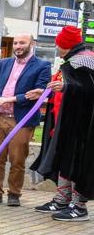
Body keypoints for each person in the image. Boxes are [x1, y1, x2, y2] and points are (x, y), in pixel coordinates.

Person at [34, 25, 94, 221]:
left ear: (66, 45)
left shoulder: (84, 61)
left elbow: (88, 91)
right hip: (69, 122)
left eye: (59, 44)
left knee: (77, 163)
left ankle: (79, 206)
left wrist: (66, 86)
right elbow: (70, 89)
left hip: (83, 125)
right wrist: (45, 93)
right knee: (64, 160)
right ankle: (62, 199)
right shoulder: (73, 60)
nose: (57, 48)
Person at [0, 39, 50, 207]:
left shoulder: (42, 65)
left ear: (32, 44)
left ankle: (14, 193)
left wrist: (12, 99)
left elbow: (37, 94)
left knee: (17, 159)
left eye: (22, 43)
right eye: (16, 43)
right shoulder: (4, 63)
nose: (18, 46)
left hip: (21, 120)